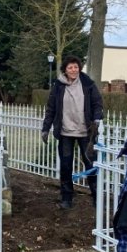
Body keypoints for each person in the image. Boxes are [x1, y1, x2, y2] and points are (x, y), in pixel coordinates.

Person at [40, 55, 104, 209]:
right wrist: (45, 128)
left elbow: (97, 103)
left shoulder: (88, 84)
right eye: (70, 67)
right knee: (66, 166)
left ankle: (97, 197)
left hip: (86, 132)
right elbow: (51, 108)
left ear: (79, 68)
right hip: (65, 132)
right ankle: (66, 198)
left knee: (91, 165)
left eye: (76, 67)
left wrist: (96, 119)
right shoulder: (59, 86)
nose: (74, 70)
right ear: (65, 70)